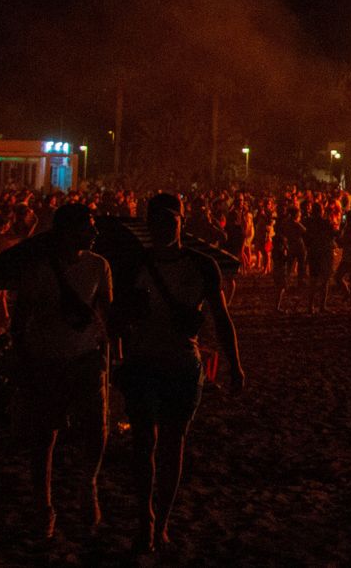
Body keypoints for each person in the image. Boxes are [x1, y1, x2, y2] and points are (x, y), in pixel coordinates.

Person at [116, 193, 245, 555]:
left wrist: (235, 364)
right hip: (143, 361)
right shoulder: (133, 265)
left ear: (181, 224)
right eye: (157, 222)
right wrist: (120, 354)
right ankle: (147, 519)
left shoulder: (202, 265)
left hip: (181, 363)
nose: (162, 229)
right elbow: (117, 319)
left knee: (173, 444)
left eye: (170, 222)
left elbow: (222, 317)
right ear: (148, 224)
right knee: (144, 445)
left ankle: (163, 521)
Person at [9, 202, 111, 540]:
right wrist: (24, 361)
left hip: (85, 358)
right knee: (45, 436)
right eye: (88, 226)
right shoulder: (37, 269)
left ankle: (89, 484)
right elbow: (20, 319)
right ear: (66, 231)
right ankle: (44, 506)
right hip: (47, 359)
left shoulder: (99, 266)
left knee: (97, 427)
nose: (95, 232)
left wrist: (110, 354)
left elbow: (105, 314)